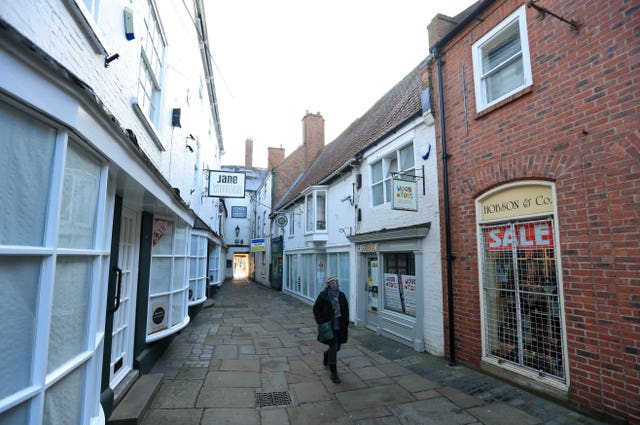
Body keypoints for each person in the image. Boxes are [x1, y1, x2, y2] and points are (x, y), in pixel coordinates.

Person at [313, 276, 349, 383]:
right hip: (329, 327)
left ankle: (326, 354)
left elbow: (346, 310)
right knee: (334, 348)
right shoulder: (323, 296)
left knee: (337, 348)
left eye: (337, 282)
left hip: (340, 326)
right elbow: (316, 309)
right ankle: (334, 373)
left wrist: (346, 322)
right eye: (333, 283)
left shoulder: (342, 296)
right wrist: (320, 322)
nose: (335, 284)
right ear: (328, 285)